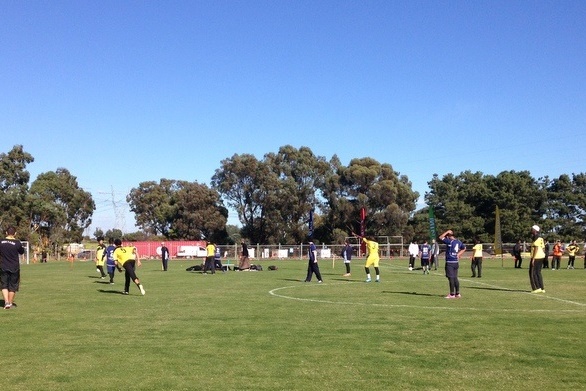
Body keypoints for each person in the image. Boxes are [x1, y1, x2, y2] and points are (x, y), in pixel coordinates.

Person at [0, 227, 25, 309]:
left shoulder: (1, 242)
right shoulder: (17, 243)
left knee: (4, 285)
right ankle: (10, 303)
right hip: (14, 267)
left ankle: (6, 302)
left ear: (6, 233)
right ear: (15, 233)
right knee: (13, 286)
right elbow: (21, 252)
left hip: (3, 266)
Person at [438, 229, 466, 299]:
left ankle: (452, 294)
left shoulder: (450, 241)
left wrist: (447, 231)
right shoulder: (458, 242)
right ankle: (457, 293)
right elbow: (464, 248)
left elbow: (440, 237)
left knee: (451, 278)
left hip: (450, 262)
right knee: (455, 278)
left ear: (450, 236)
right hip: (456, 262)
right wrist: (458, 254)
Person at [529, 225, 545, 293]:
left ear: (535, 230)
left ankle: (536, 288)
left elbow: (536, 248)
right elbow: (543, 248)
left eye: (532, 229)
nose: (531, 230)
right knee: (538, 272)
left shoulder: (536, 238)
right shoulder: (541, 238)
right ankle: (542, 288)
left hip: (537, 256)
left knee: (533, 272)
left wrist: (533, 258)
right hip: (541, 256)